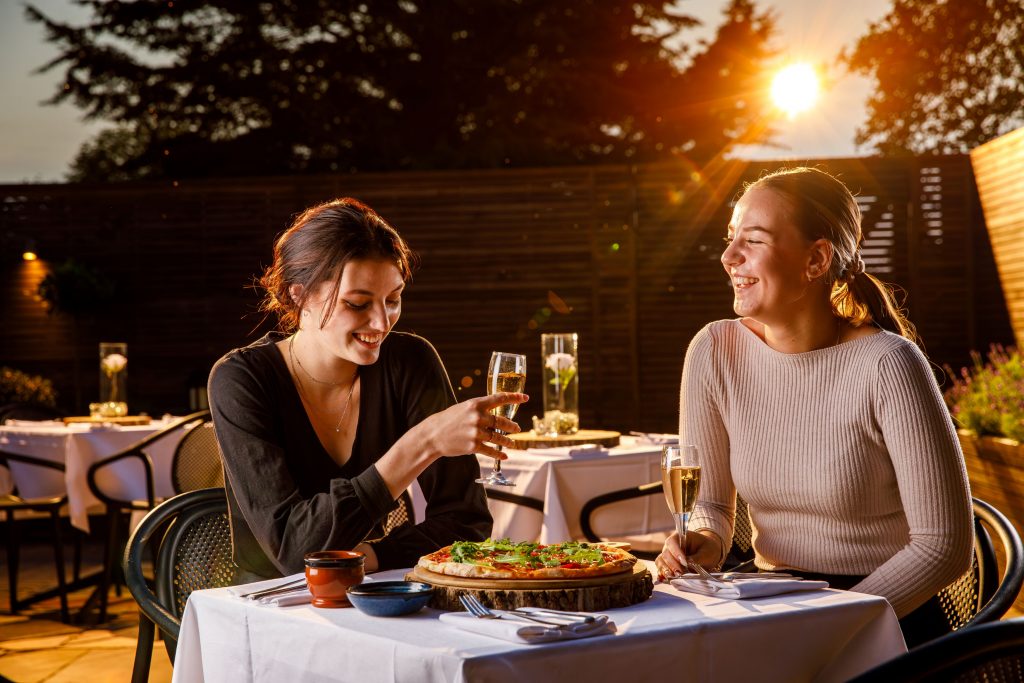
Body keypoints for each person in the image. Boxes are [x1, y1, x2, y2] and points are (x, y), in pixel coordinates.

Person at [656, 166, 973, 648]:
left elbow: (944, 548)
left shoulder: (888, 364)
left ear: (817, 259)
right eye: (730, 237)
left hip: (883, 618)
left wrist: (833, 625)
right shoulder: (714, 351)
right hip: (771, 601)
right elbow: (713, 506)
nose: (728, 256)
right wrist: (705, 542)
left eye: (754, 240)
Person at [208, 197, 527, 581]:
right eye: (358, 304)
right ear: (299, 294)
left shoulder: (410, 361)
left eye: (393, 300)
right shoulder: (241, 379)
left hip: (372, 592)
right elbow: (295, 552)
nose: (381, 321)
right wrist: (422, 443)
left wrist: (370, 557)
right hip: (270, 606)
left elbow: (467, 525)